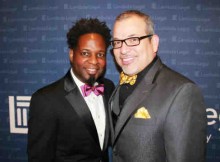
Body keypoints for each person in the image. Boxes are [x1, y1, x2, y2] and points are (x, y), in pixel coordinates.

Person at [109, 10, 207, 162]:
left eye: (133, 39)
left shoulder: (182, 92)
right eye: (117, 42)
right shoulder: (121, 84)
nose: (123, 50)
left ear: (154, 43)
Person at [27, 18, 115, 162]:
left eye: (100, 54)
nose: (94, 61)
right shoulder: (45, 100)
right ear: (72, 55)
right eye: (86, 53)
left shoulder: (109, 88)